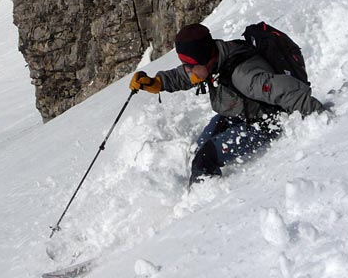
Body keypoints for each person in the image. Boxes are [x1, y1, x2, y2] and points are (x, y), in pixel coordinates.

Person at [129, 23, 325, 184]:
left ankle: (204, 211)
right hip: (239, 113)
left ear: (205, 60)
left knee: (204, 161)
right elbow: (184, 75)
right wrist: (157, 83)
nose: (187, 71)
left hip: (263, 124)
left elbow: (288, 89)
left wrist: (320, 119)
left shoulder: (244, 77)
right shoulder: (217, 58)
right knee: (197, 150)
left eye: (190, 66)